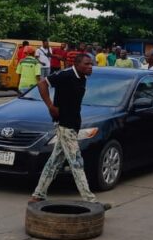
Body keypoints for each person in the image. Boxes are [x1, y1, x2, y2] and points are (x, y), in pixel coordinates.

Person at [29, 54, 109, 207]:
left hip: (73, 124)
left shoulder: (82, 78)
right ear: (77, 64)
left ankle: (38, 194)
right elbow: (42, 84)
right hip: (64, 125)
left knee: (54, 162)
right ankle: (90, 201)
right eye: (87, 64)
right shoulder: (65, 75)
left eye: (91, 64)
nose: (90, 66)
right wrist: (50, 106)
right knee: (77, 162)